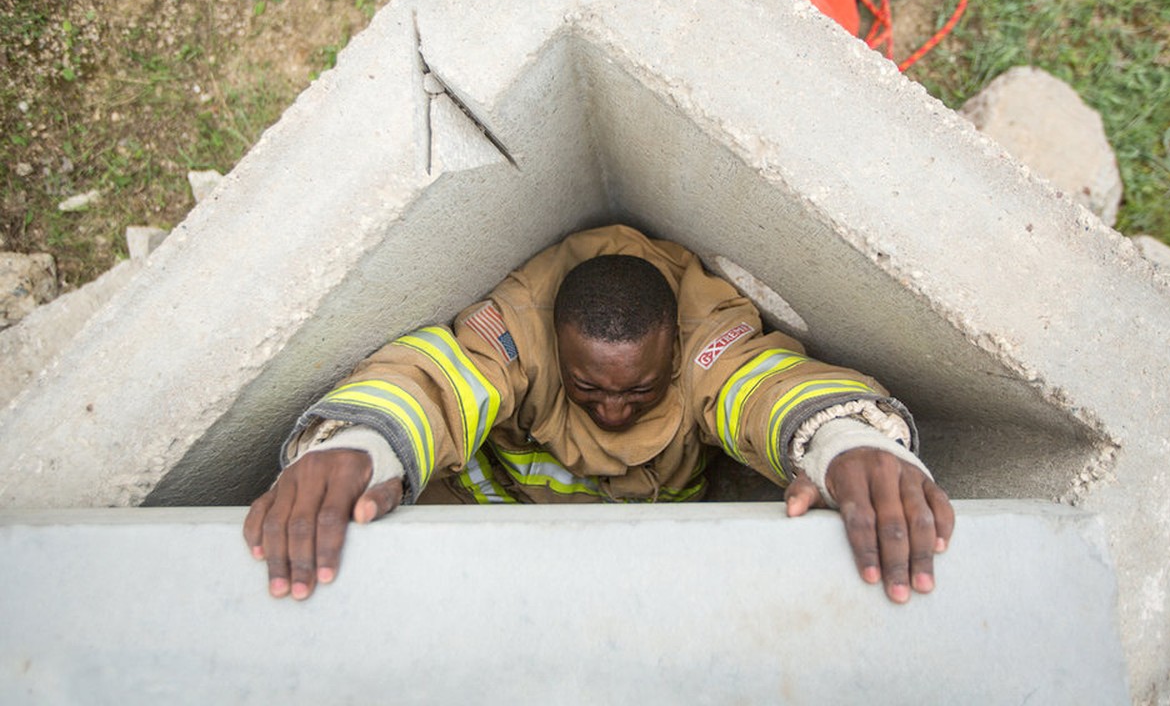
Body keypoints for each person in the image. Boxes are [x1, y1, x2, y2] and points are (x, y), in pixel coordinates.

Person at [244, 225, 953, 603]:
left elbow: (751, 382)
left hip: (646, 567)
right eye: (590, 391)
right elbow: (443, 380)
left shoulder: (705, 336)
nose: (614, 412)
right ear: (557, 347)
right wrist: (366, 443)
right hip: (497, 547)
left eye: (638, 392)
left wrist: (839, 438)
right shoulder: (518, 329)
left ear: (673, 348)